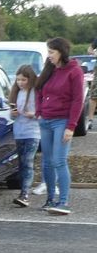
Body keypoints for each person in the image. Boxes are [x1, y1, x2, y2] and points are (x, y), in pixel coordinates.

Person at [35, 37, 85, 215]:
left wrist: (71, 126)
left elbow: (78, 100)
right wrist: (39, 112)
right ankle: (50, 199)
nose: (49, 55)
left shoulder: (74, 71)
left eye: (51, 52)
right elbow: (39, 90)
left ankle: (63, 201)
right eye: (48, 51)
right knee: (47, 162)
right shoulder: (49, 69)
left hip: (62, 121)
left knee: (59, 160)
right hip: (45, 120)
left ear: (61, 52)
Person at [8, 64, 41, 207]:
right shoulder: (16, 93)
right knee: (21, 162)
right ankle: (23, 191)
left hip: (33, 131)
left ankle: (25, 193)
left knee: (28, 161)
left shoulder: (36, 92)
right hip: (19, 131)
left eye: (23, 80)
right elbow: (11, 114)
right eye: (18, 80)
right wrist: (13, 113)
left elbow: (43, 112)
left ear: (30, 79)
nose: (20, 83)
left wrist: (33, 115)